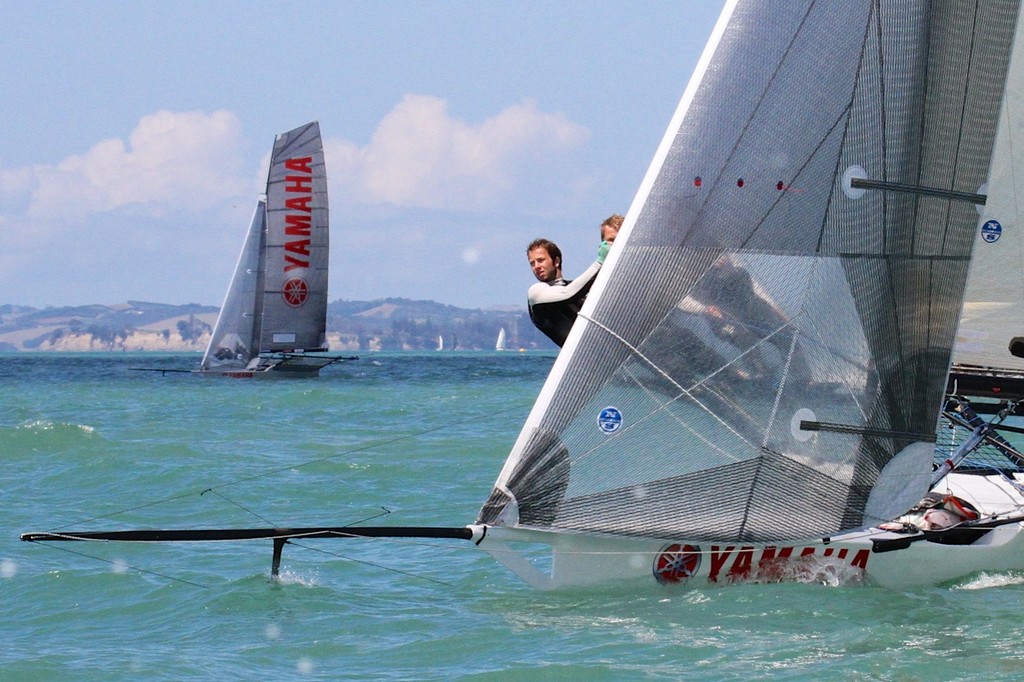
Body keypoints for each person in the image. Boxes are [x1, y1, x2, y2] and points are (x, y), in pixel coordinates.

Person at [526, 237, 609, 347]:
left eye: (541, 260)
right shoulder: (536, 292)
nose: (536, 266)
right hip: (581, 359)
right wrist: (599, 262)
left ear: (556, 261)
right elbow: (567, 294)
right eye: (532, 263)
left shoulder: (575, 287)